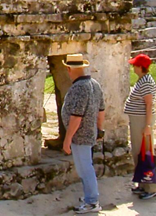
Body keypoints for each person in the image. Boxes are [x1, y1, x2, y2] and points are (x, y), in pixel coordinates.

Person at [61, 53, 105, 214]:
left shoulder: (79, 88)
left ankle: (92, 201)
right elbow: (101, 110)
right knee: (85, 166)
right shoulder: (94, 84)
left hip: (80, 135)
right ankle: (89, 196)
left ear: (68, 69)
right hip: (90, 132)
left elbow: (76, 116)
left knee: (84, 168)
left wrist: (67, 139)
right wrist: (100, 129)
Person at [124, 54, 156, 200]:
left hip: (142, 121)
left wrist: (148, 125)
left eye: (135, 65)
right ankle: (142, 183)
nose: (133, 67)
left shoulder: (146, 82)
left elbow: (149, 104)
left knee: (145, 153)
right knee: (138, 152)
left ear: (140, 67)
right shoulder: (142, 80)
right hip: (137, 119)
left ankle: (151, 187)